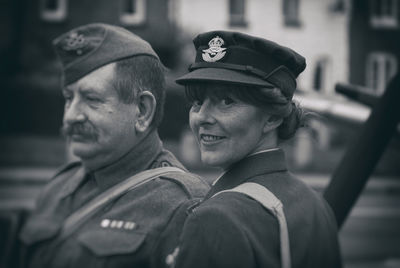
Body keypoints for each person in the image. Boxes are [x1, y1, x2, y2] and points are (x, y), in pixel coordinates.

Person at [16, 23, 209, 268]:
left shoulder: (183, 205)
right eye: (68, 98)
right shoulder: (59, 186)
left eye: (91, 99)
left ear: (142, 111)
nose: (70, 116)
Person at [172, 31, 342, 268]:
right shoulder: (316, 204)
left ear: (272, 118)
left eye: (227, 101)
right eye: (198, 102)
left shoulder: (217, 217)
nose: (202, 117)